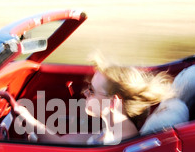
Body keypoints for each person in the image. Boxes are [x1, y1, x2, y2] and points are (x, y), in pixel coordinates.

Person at [14, 55, 176, 145]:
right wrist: (32, 124)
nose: (85, 93)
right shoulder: (111, 132)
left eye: (92, 90)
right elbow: (65, 142)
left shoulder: (111, 142)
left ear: (113, 102)